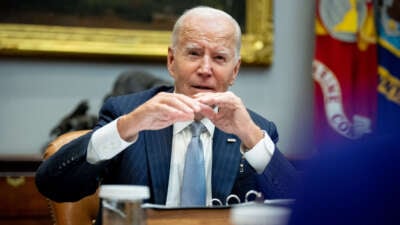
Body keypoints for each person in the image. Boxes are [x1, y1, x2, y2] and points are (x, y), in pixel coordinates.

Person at [35, 5, 298, 222]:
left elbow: (305, 210)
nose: (205, 69)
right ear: (172, 61)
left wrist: (251, 137)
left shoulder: (255, 129)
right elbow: (53, 185)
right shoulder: (126, 114)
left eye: (219, 58)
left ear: (235, 70)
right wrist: (126, 127)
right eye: (194, 53)